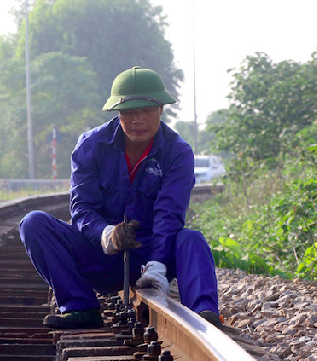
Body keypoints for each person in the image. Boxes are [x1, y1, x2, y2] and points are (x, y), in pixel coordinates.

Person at [19, 66, 221, 330]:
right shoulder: (91, 146)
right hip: (99, 254)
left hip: (149, 254)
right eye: (129, 112)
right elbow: (82, 207)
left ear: (161, 109)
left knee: (191, 239)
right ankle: (80, 308)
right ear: (117, 113)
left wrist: (158, 264)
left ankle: (204, 313)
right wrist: (105, 235)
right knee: (33, 223)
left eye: (147, 111)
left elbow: (169, 212)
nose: (138, 120)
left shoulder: (177, 152)